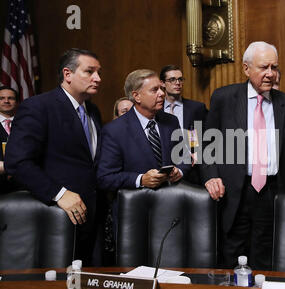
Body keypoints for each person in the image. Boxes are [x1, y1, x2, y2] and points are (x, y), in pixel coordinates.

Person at [201, 41, 285, 270]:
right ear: (246, 69)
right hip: (235, 193)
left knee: (267, 261)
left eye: (274, 67)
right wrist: (210, 176)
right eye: (264, 67)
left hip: (272, 193)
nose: (270, 74)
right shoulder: (224, 98)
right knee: (231, 260)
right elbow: (209, 145)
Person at [5, 48, 103, 266]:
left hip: (91, 219)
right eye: (90, 71)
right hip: (55, 217)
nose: (98, 78)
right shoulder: (38, 106)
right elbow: (17, 162)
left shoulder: (93, 111)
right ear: (68, 75)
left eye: (98, 72)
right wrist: (58, 194)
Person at [97, 69, 190, 211]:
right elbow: (105, 177)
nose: (162, 94)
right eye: (154, 90)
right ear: (137, 96)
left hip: (171, 206)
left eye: (161, 88)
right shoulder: (114, 131)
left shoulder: (171, 121)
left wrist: (179, 171)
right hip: (135, 212)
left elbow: (184, 157)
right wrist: (140, 179)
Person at [160, 65, 208, 184]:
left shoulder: (196, 108)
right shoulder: (156, 109)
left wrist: (197, 151)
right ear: (162, 83)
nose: (177, 83)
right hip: (163, 166)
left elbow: (207, 135)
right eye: (172, 80)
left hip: (192, 166)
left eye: (180, 79)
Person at [0, 86, 20, 194]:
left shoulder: (27, 123)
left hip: (24, 184)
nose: (6, 101)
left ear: (17, 102)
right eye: (2, 98)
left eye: (10, 98)